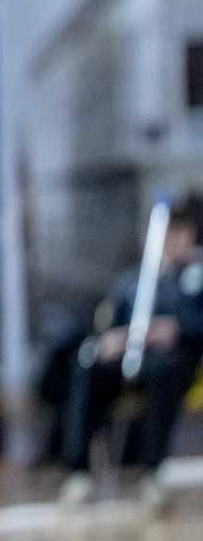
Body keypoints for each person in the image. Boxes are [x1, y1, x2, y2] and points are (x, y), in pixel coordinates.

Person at [59, 194, 203, 514]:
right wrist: (112, 340)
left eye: (184, 233)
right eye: (172, 233)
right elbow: (111, 322)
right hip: (129, 358)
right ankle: (78, 472)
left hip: (173, 363)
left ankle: (152, 472)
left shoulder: (196, 279)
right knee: (87, 365)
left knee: (165, 371)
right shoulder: (132, 281)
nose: (178, 240)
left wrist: (176, 328)